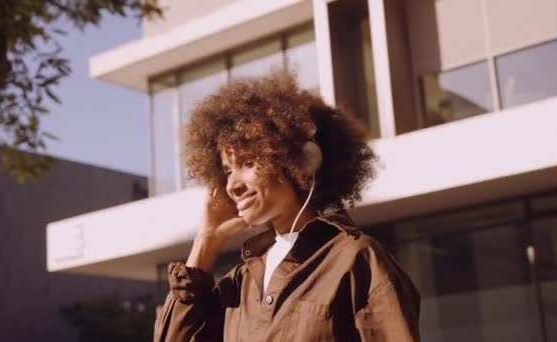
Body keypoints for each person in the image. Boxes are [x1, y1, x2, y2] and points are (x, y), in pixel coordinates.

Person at [153, 70, 420, 341]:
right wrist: (207, 240)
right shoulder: (240, 284)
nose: (232, 185)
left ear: (302, 161)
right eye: (227, 170)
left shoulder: (356, 259)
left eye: (246, 163)